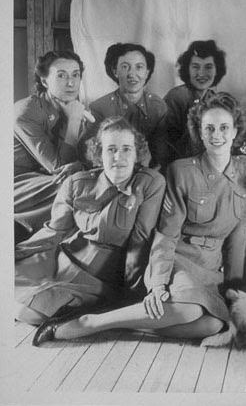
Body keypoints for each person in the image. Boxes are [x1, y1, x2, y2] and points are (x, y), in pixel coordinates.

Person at [31, 92, 246, 345]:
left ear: (236, 131)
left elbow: (239, 235)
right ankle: (88, 324)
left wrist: (234, 287)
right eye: (210, 128)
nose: (217, 135)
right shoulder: (181, 171)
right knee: (191, 311)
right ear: (200, 133)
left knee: (212, 324)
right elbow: (166, 234)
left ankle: (121, 324)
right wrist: (158, 284)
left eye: (224, 128)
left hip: (210, 268)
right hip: (177, 260)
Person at [15, 116, 165, 325]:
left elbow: (140, 241)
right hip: (60, 261)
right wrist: (15, 253)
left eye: (126, 149)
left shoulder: (150, 183)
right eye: (111, 149)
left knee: (29, 312)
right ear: (99, 153)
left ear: (137, 152)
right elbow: (54, 232)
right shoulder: (77, 183)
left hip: (100, 279)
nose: (118, 157)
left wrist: (131, 296)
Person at [14, 50, 88, 240]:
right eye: (61, 75)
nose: (71, 83)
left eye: (75, 75)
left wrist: (81, 164)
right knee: (73, 186)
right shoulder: (27, 111)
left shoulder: (71, 106)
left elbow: (87, 156)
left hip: (41, 181)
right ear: (45, 81)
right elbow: (58, 168)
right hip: (16, 184)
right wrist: (74, 121)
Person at [89, 43, 168, 170]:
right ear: (115, 71)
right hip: (111, 172)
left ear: (147, 72)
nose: (132, 74)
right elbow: (93, 157)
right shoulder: (99, 108)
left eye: (139, 67)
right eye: (125, 67)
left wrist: (146, 177)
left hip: (149, 174)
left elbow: (161, 156)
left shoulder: (158, 107)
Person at [165, 40, 227, 162]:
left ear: (217, 70)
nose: (201, 73)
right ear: (187, 69)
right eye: (195, 67)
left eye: (208, 67)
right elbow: (167, 144)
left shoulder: (215, 99)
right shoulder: (177, 97)